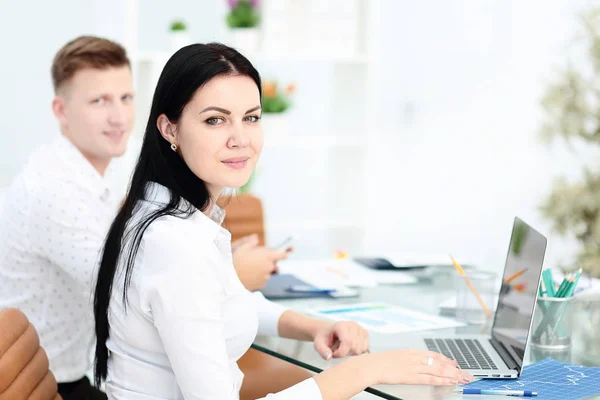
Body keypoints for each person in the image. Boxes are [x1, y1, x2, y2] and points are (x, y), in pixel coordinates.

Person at [92, 43, 473, 400]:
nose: (241, 138)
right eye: (215, 120)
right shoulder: (177, 246)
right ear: (169, 128)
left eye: (251, 118)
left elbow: (223, 303)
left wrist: (312, 328)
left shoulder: (163, 212)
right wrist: (367, 371)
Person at [0, 35, 134, 399]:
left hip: (67, 377)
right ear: (61, 110)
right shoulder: (53, 190)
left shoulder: (85, 178)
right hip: (48, 388)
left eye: (126, 97)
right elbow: (128, 289)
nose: (119, 116)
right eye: (99, 101)